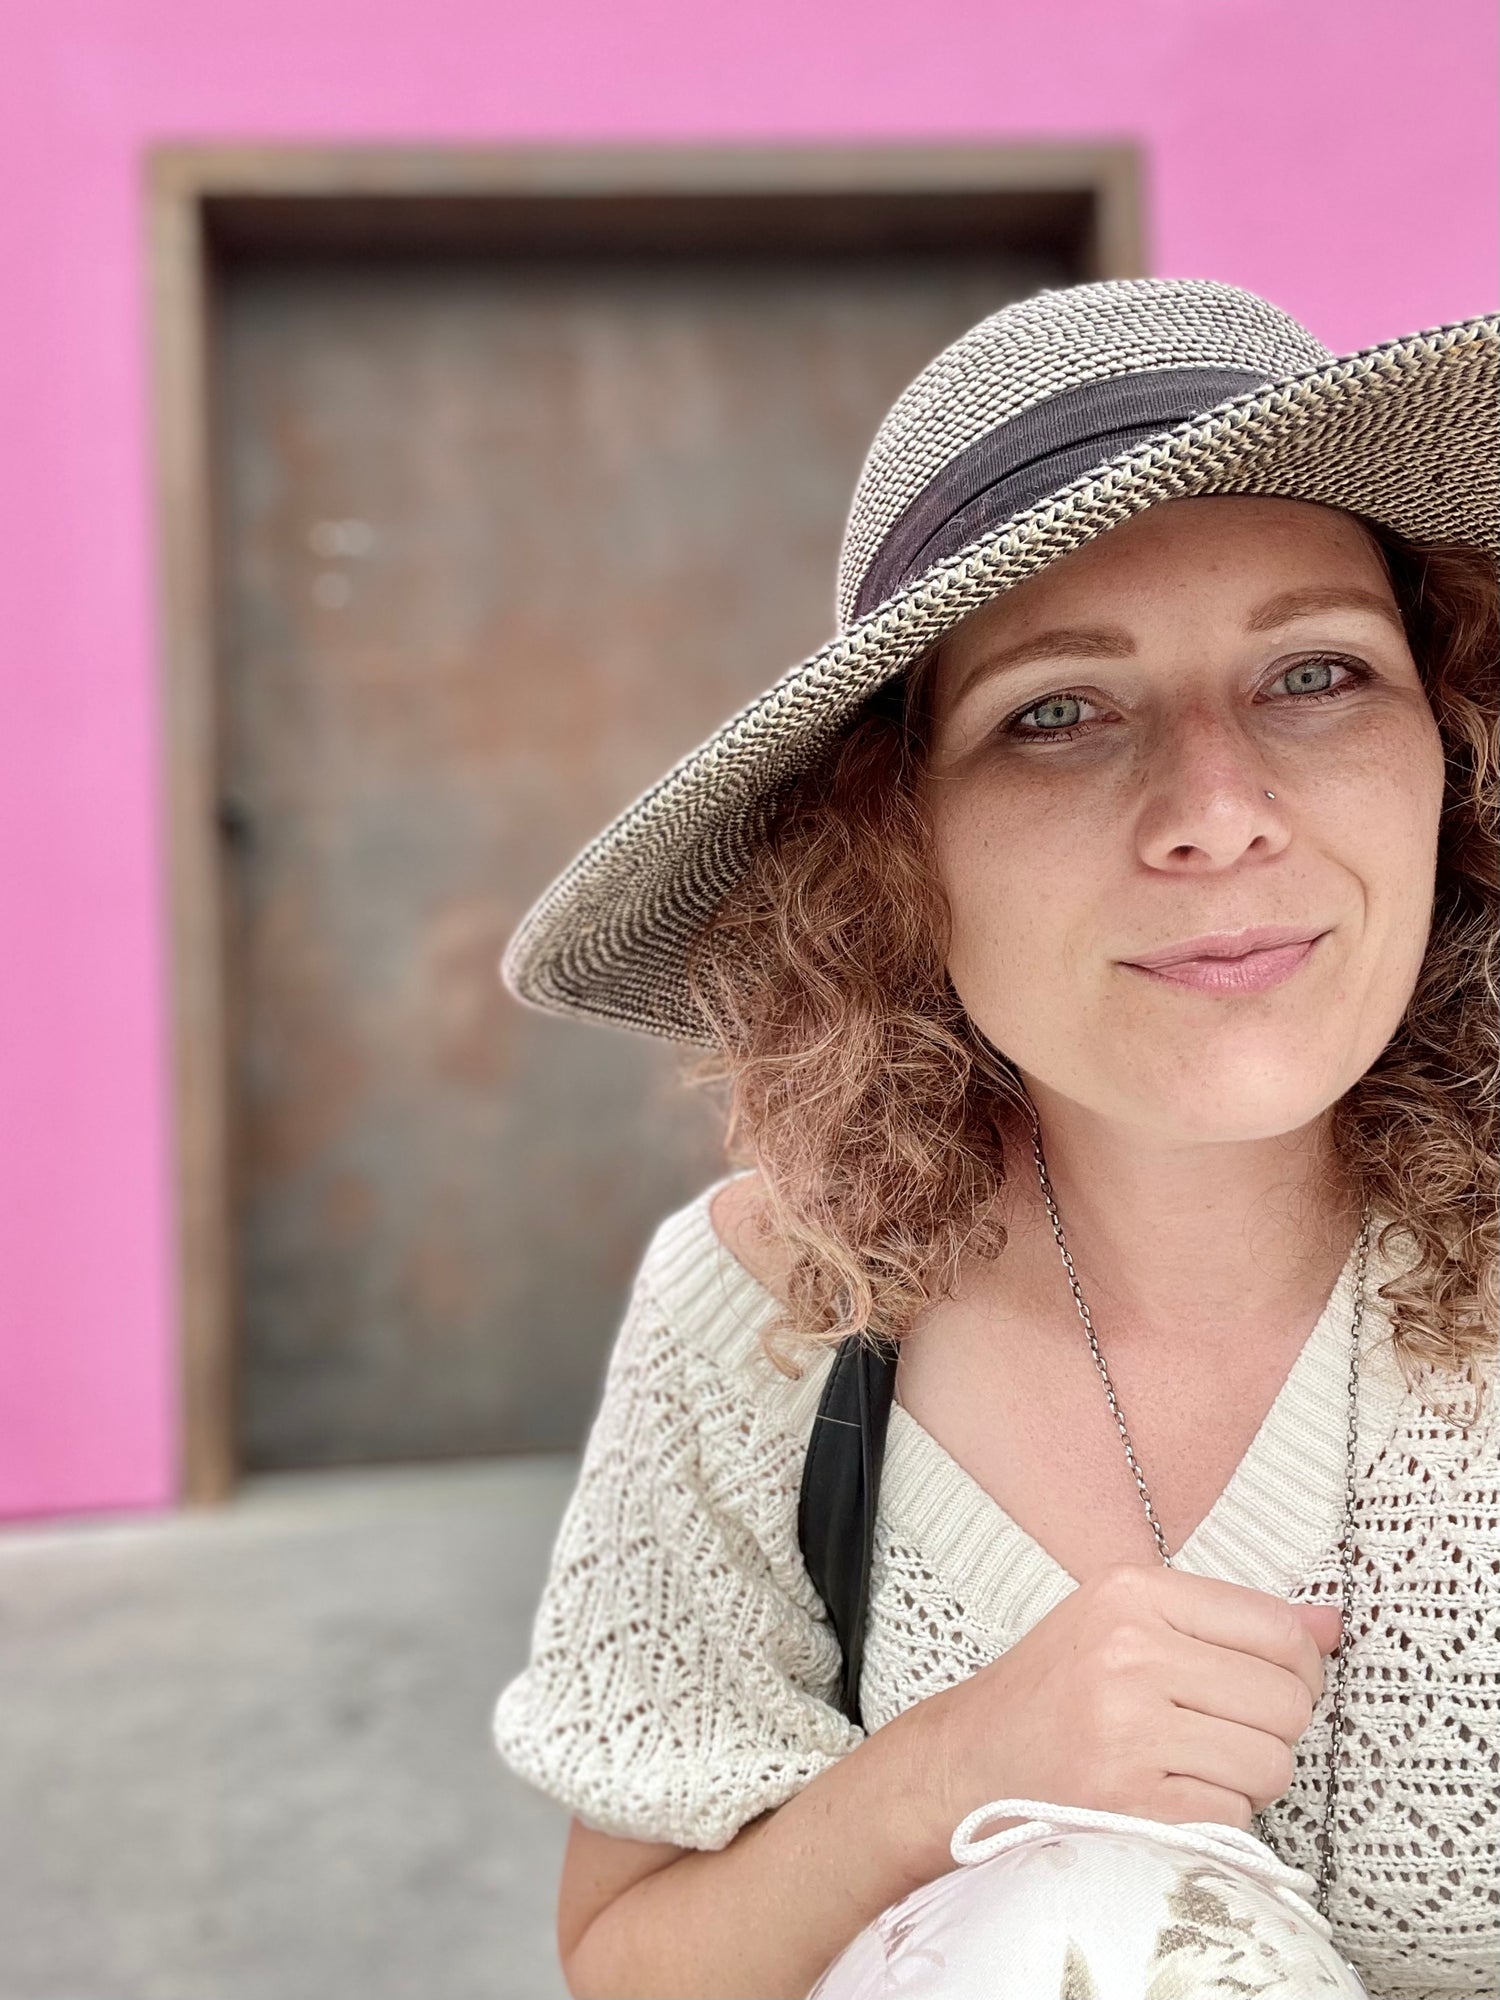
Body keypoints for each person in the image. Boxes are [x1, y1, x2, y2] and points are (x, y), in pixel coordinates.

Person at [489, 278, 1497, 2000]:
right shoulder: (763, 1319)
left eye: (1316, 674)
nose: (1218, 815)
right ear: (897, 841)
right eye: (1055, 712)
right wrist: (954, 1778)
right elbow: (631, 1957)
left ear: (1454, 749)